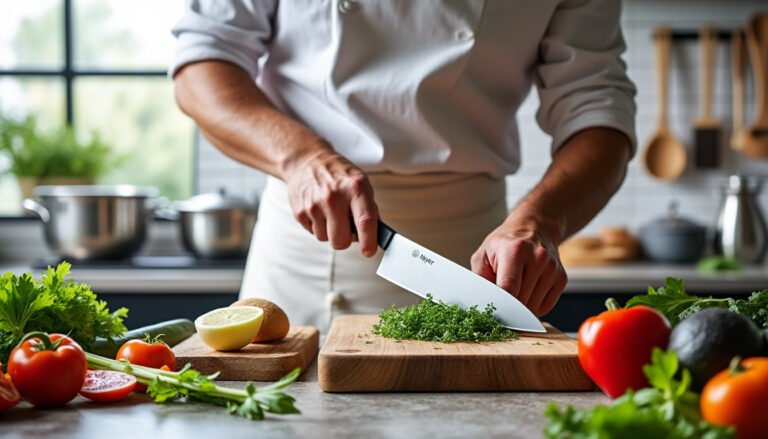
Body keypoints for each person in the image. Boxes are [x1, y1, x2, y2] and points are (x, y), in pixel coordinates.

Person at [171, 0, 636, 330]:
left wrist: (540, 222)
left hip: (475, 262)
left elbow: (598, 111)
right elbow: (202, 64)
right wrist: (300, 157)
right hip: (304, 252)